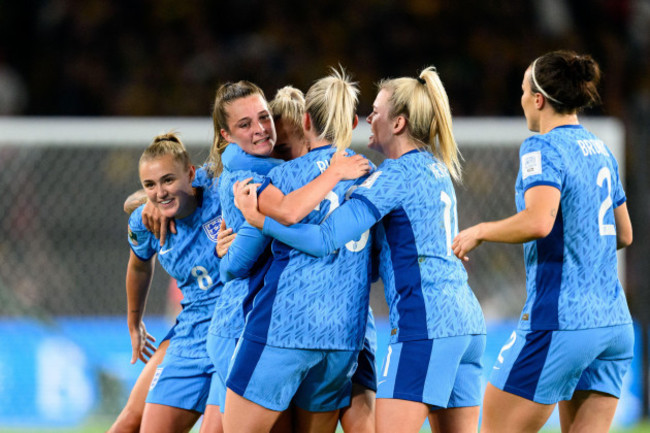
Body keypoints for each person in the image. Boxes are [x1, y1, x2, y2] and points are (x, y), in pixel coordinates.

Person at [233, 66, 486, 433]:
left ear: (398, 124)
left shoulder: (390, 176)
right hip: (468, 324)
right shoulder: (436, 168)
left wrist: (260, 222)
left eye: (378, 112)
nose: (370, 118)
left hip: (426, 325)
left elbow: (323, 240)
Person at [452, 50, 634, 433]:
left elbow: (538, 221)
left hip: (561, 321)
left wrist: (481, 229)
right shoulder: (600, 149)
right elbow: (624, 233)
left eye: (522, 91)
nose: (520, 100)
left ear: (538, 99)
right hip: (614, 324)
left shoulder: (542, 147)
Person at [218, 83, 378, 433]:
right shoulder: (372, 177)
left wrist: (227, 251)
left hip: (283, 327)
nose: (260, 129)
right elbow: (378, 261)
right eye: (247, 124)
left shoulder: (277, 177)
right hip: (344, 335)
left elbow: (235, 264)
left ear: (305, 120)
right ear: (353, 123)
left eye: (263, 119)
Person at [125, 132, 223, 433]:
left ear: (191, 173)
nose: (160, 191)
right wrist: (134, 322)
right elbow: (139, 267)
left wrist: (150, 197)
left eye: (168, 180)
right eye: (150, 185)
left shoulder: (218, 186)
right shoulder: (146, 221)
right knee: (130, 422)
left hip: (234, 327)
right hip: (191, 331)